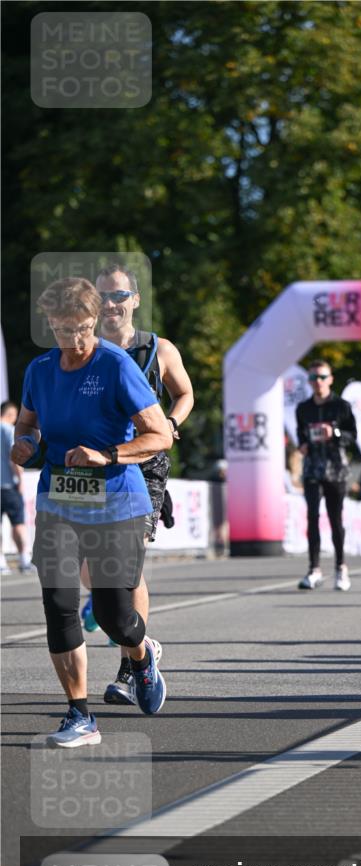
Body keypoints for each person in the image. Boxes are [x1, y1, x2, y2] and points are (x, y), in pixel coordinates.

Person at [12, 277, 172, 747]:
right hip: (59, 501)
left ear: (95, 320)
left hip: (117, 503)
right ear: (50, 324)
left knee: (113, 615)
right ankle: (79, 715)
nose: (74, 340)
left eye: (81, 328)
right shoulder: (39, 371)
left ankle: (141, 656)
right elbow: (28, 426)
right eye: (63, 330)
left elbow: (159, 435)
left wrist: (109, 454)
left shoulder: (117, 365)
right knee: (59, 604)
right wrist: (26, 447)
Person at [80, 263, 194, 706]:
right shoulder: (84, 351)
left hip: (144, 465)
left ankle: (133, 668)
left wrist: (170, 420)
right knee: (89, 562)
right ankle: (124, 626)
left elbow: (184, 393)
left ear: (135, 300)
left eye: (119, 296)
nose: (111, 305)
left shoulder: (157, 349)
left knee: (128, 568)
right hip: (94, 465)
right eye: (103, 297)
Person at [296, 360, 357, 591]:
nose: (317, 383)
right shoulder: (303, 408)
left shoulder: (341, 406)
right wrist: (302, 444)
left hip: (336, 469)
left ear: (330, 379)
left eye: (322, 377)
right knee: (312, 516)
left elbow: (353, 436)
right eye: (313, 378)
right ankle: (314, 569)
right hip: (312, 468)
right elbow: (300, 433)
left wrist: (335, 432)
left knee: (335, 518)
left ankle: (341, 567)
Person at [1, 400, 35, 574]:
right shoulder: (8, 430)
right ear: (12, 414)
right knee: (18, 523)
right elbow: (14, 456)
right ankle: (24, 558)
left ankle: (1, 562)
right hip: (8, 485)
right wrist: (20, 479)